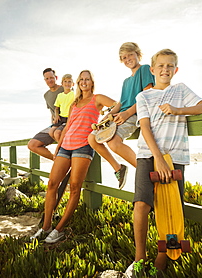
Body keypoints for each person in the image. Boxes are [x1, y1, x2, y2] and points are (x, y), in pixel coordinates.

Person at [125, 49, 202, 277]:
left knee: (171, 208)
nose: (165, 69)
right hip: (147, 154)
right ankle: (139, 258)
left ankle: (161, 261)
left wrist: (178, 110)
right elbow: (144, 126)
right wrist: (158, 160)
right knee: (141, 205)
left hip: (176, 156)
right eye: (161, 66)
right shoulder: (143, 97)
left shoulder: (180, 90)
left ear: (176, 69)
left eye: (170, 66)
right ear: (152, 70)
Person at [30, 70, 116, 243]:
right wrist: (58, 146)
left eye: (87, 79)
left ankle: (59, 229)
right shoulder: (74, 103)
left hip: (83, 147)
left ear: (92, 82)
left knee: (75, 188)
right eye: (81, 79)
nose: (84, 82)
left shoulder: (97, 98)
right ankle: (46, 226)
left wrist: (104, 121)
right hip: (66, 146)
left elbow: (117, 105)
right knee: (52, 184)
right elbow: (68, 126)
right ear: (78, 83)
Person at [88, 42, 154, 189]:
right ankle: (119, 168)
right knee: (92, 138)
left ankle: (146, 172)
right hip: (120, 114)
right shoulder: (126, 81)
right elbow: (120, 103)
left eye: (130, 54)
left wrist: (127, 113)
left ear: (138, 54)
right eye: (124, 57)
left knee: (113, 143)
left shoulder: (144, 69)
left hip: (134, 113)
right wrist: (108, 115)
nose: (127, 59)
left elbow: (148, 97)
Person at [27, 68, 64, 160]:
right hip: (55, 125)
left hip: (67, 123)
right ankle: (57, 161)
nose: (49, 80)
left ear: (56, 77)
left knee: (57, 134)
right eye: (47, 79)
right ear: (44, 80)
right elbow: (51, 112)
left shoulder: (65, 88)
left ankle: (65, 160)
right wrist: (53, 125)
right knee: (32, 145)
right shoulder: (46, 95)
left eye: (51, 78)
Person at [49, 74, 75, 142]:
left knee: (57, 133)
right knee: (51, 132)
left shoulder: (74, 94)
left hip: (69, 118)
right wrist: (56, 115)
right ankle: (62, 145)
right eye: (65, 81)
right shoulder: (60, 95)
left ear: (73, 84)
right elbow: (56, 108)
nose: (67, 83)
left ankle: (62, 149)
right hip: (61, 118)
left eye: (69, 81)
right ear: (62, 84)